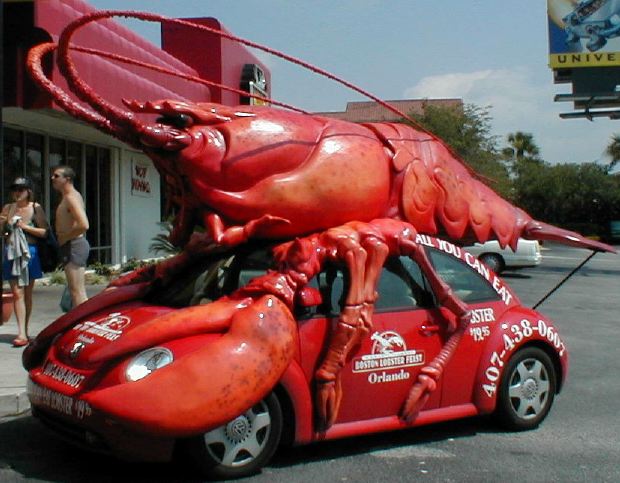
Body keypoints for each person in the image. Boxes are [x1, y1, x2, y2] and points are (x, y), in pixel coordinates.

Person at [0, 177, 50, 347]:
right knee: (17, 293)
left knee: (27, 293)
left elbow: (44, 232)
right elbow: (2, 232)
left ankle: (25, 330)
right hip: (12, 252)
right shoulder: (8, 208)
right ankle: (21, 332)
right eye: (14, 189)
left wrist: (25, 227)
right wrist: (5, 225)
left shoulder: (35, 208)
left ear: (28, 191)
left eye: (21, 189)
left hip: (29, 252)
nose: (17, 193)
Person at [51, 165, 90, 307]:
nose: (52, 178)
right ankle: (81, 318)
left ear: (67, 179)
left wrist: (65, 237)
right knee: (75, 291)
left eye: (56, 176)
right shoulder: (69, 197)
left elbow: (84, 225)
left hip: (74, 245)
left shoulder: (71, 197)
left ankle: (85, 319)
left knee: (77, 291)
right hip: (70, 245)